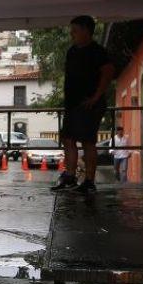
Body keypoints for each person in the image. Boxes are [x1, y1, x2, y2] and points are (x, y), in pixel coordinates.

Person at [51, 15, 115, 195]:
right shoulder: (72, 51)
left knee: (88, 141)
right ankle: (70, 177)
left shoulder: (98, 51)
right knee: (68, 139)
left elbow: (108, 72)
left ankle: (89, 181)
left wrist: (96, 97)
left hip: (89, 104)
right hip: (72, 105)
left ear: (87, 30)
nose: (72, 34)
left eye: (75, 31)